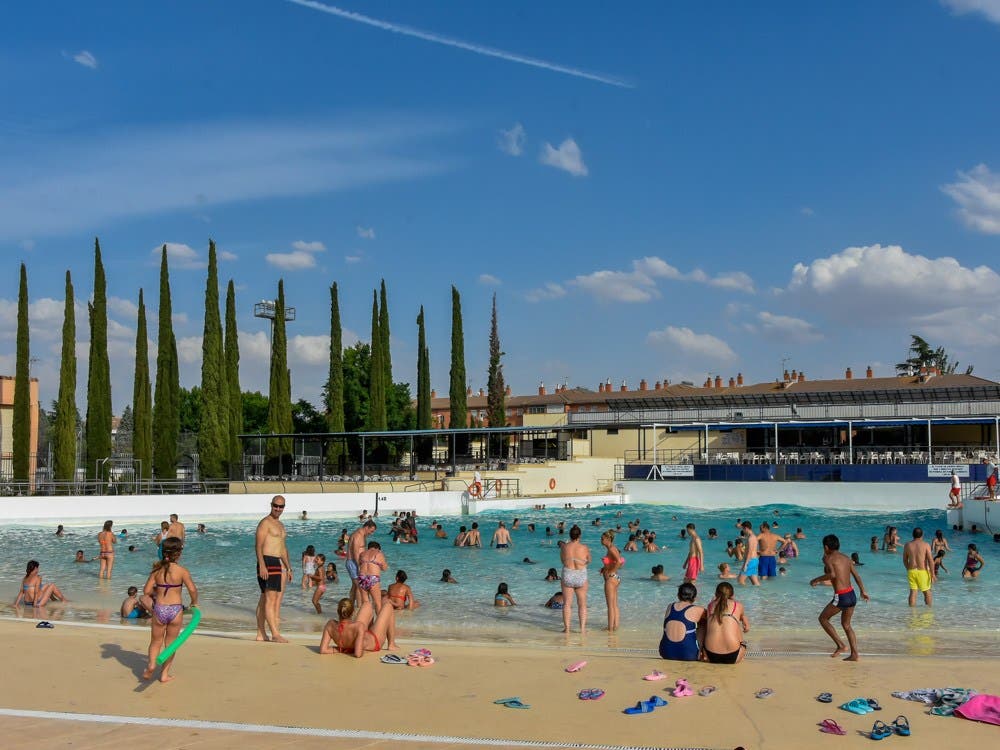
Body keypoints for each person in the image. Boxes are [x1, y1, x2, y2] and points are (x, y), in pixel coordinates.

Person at [142, 537, 198, 682]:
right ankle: (164, 675)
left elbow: (146, 591)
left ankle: (152, 665)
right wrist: (194, 603)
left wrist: (158, 591)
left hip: (159, 609)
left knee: (155, 642)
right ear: (178, 553)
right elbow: (192, 589)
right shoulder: (182, 571)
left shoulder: (157, 571)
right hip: (176, 611)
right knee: (171, 644)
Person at [810, 534, 870, 661]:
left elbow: (831, 574)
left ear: (826, 547)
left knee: (823, 619)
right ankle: (854, 654)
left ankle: (841, 645)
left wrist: (816, 579)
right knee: (846, 625)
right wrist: (863, 591)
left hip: (841, 596)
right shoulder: (847, 558)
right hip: (851, 594)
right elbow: (857, 576)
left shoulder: (829, 558)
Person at [255, 495, 293, 643]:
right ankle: (275, 634)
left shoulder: (281, 525)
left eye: (281, 506)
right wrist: (262, 564)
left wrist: (289, 567)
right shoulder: (265, 523)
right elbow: (258, 545)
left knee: (265, 599)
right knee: (270, 599)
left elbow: (282, 549)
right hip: (267, 560)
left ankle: (260, 633)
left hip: (277, 562)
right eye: (275, 505)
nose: (278, 509)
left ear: (284, 507)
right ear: (271, 505)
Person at [319, 597, 398, 658]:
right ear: (353, 612)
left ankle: (372, 628)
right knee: (388, 606)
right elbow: (358, 654)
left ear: (338, 611)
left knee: (367, 604)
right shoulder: (358, 626)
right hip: (374, 641)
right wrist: (352, 649)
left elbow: (323, 650)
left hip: (360, 637)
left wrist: (342, 649)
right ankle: (391, 644)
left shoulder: (330, 625)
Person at [699, 582, 749, 664]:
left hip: (711, 656)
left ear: (716, 594)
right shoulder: (738, 605)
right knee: (735, 624)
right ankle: (741, 655)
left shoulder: (710, 605)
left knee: (706, 624)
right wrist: (746, 624)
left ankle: (701, 651)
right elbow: (744, 620)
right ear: (732, 595)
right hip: (733, 656)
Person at [659, 582, 705, 661]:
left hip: (666, 652)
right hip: (688, 654)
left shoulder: (670, 606)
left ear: (678, 595)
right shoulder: (699, 610)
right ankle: (703, 652)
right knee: (704, 625)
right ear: (694, 597)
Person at [559, 524, 591, 633]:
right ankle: (582, 629)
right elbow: (589, 560)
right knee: (582, 603)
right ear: (579, 535)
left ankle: (567, 629)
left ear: (570, 535)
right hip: (581, 574)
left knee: (567, 603)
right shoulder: (584, 547)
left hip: (568, 574)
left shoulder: (565, 547)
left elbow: (563, 560)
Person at [346, 520, 377, 606]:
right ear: (367, 527)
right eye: (371, 531)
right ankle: (360, 607)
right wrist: (359, 566)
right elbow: (355, 552)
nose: (372, 533)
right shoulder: (358, 536)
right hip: (353, 563)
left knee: (355, 586)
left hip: (354, 563)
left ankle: (351, 605)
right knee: (360, 587)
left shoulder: (362, 535)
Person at [903, 527, 935, 607]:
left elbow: (904, 560)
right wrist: (933, 574)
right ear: (922, 535)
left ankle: (912, 612)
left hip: (911, 571)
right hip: (922, 571)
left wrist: (908, 569)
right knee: (927, 591)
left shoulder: (907, 545)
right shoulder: (926, 545)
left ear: (912, 535)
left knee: (913, 592)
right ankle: (929, 610)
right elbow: (931, 560)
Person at [600, 530, 623, 632]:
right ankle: (615, 626)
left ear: (608, 539)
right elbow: (618, 561)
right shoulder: (611, 549)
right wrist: (605, 568)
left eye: (602, 538)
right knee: (614, 605)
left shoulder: (612, 549)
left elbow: (619, 561)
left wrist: (611, 571)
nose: (601, 540)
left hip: (611, 579)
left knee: (610, 606)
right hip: (615, 577)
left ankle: (610, 629)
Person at [357, 540, 388, 612]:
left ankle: (368, 622)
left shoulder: (362, 554)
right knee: (377, 603)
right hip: (372, 578)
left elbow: (359, 564)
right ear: (377, 548)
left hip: (362, 578)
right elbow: (384, 568)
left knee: (365, 603)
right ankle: (379, 622)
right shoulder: (379, 553)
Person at [738, 521, 760, 586]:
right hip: (753, 560)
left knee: (740, 580)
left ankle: (745, 595)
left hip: (750, 561)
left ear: (746, 528)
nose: (743, 531)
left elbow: (750, 552)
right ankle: (760, 594)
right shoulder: (752, 537)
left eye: (743, 529)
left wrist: (746, 564)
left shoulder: (751, 538)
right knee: (755, 583)